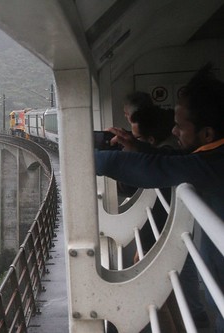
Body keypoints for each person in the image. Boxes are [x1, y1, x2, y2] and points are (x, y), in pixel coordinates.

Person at [96, 63, 224, 332]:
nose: (174, 132)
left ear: (207, 134)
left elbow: (162, 168)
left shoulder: (215, 162)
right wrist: (135, 146)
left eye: (180, 126)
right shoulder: (211, 155)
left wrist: (88, 159)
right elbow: (174, 159)